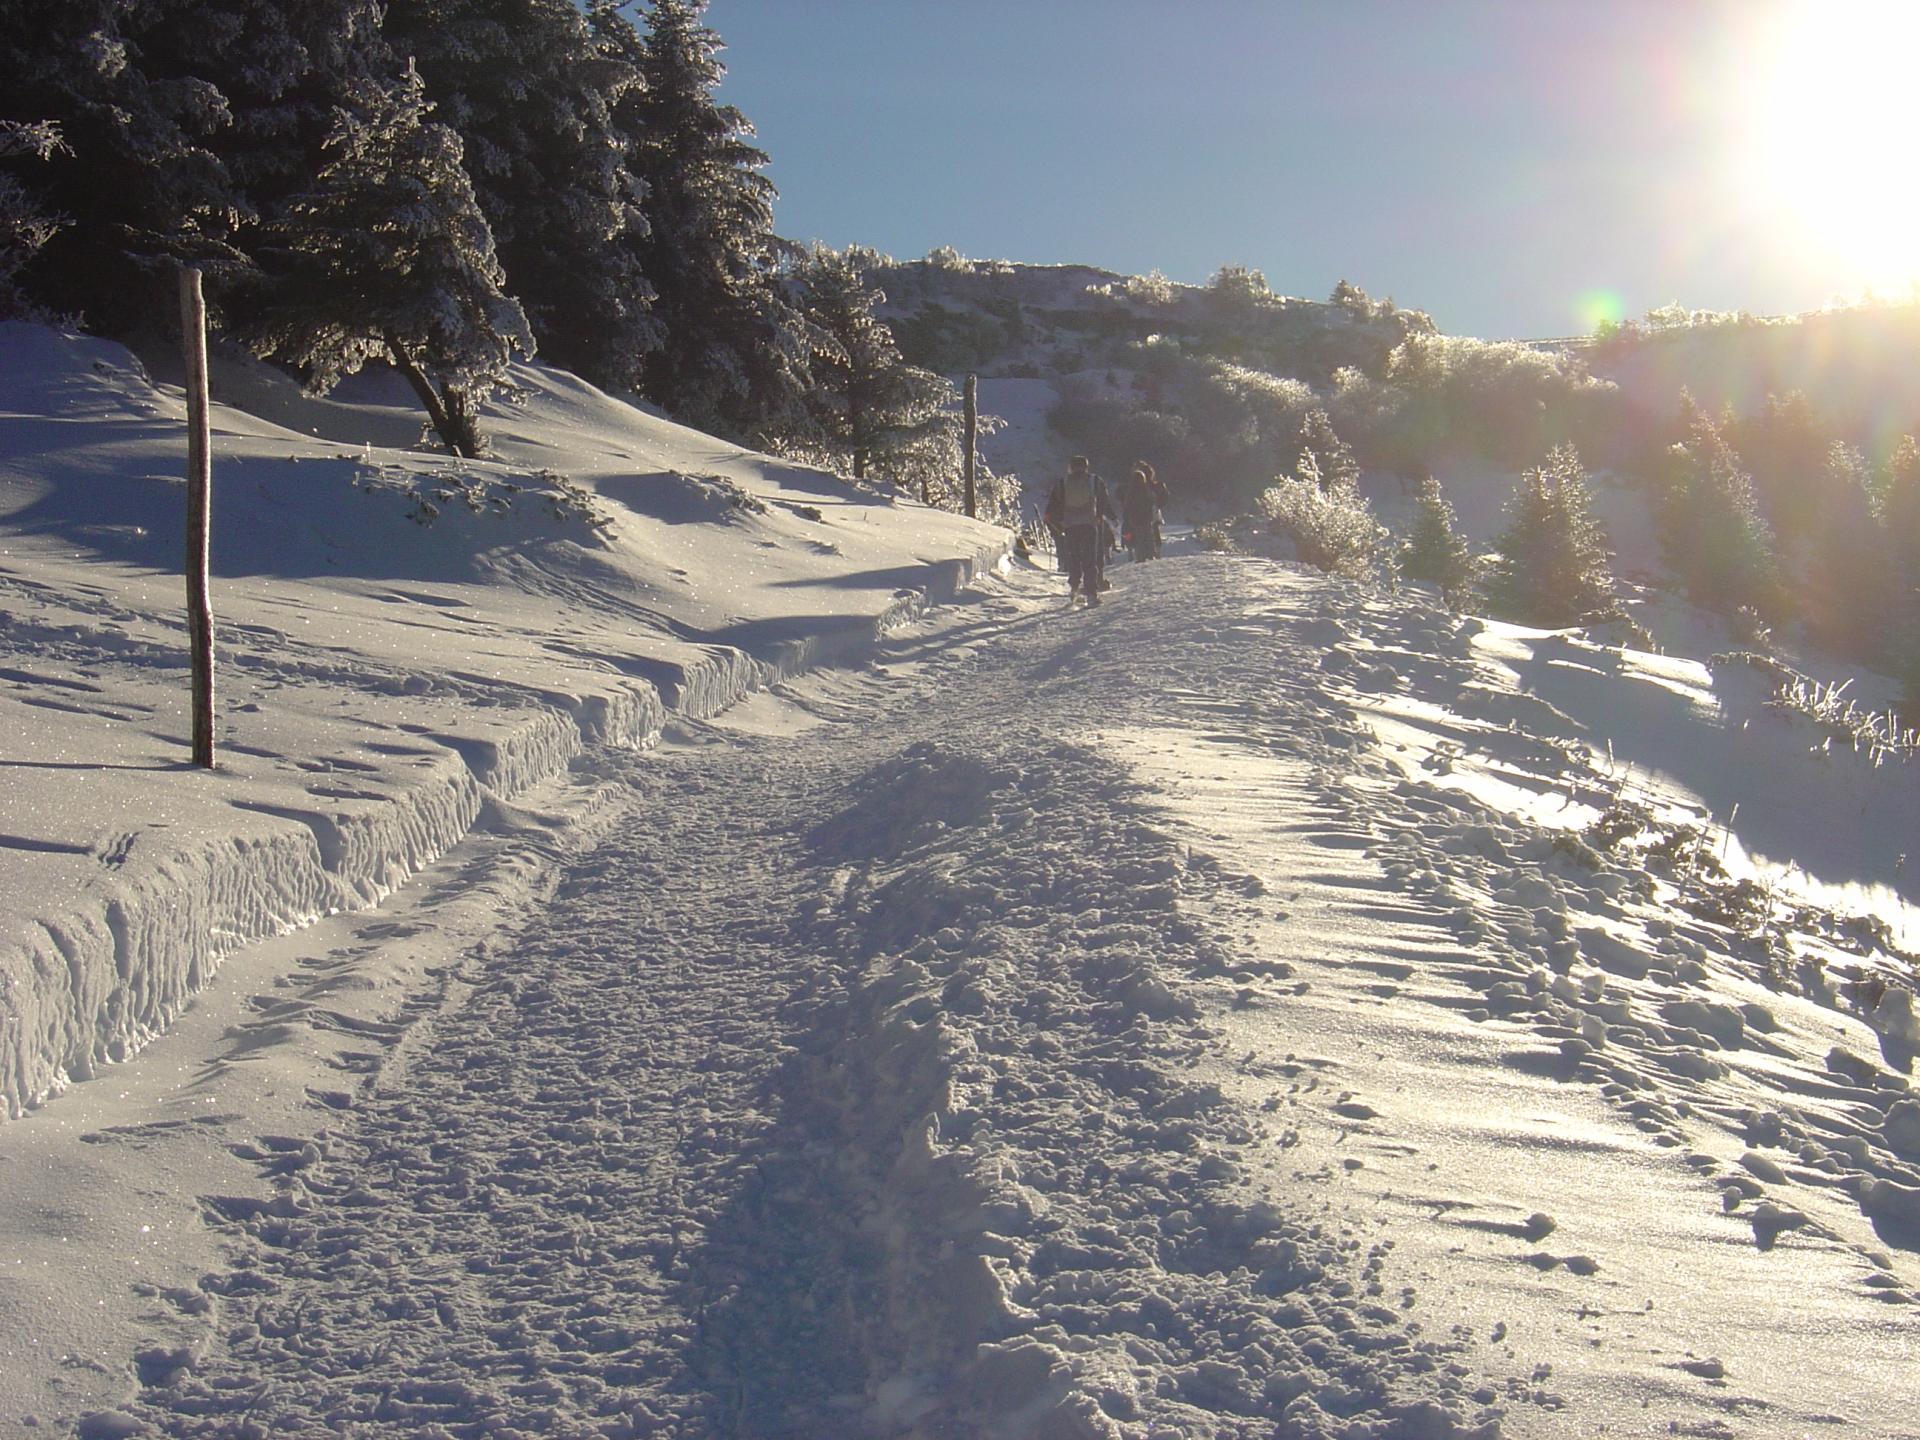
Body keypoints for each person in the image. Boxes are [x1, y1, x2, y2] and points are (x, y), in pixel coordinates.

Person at [1043, 455, 1118, 605]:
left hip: (1070, 526)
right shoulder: (1095, 481)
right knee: (1090, 559)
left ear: (1071, 467)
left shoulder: (1062, 483)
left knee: (1074, 557)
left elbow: (1052, 507)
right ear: (1086, 466)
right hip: (1089, 524)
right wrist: (1111, 517)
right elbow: (1104, 501)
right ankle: (1091, 594)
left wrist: (1057, 524)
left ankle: (1075, 590)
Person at [1119, 460, 1169, 562]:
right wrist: (1158, 505)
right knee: (1152, 532)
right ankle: (1154, 553)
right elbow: (1162, 497)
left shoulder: (1131, 487)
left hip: (1136, 514)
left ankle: (1137, 554)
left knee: (1136, 533)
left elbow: (1123, 498)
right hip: (1150, 512)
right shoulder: (1154, 485)